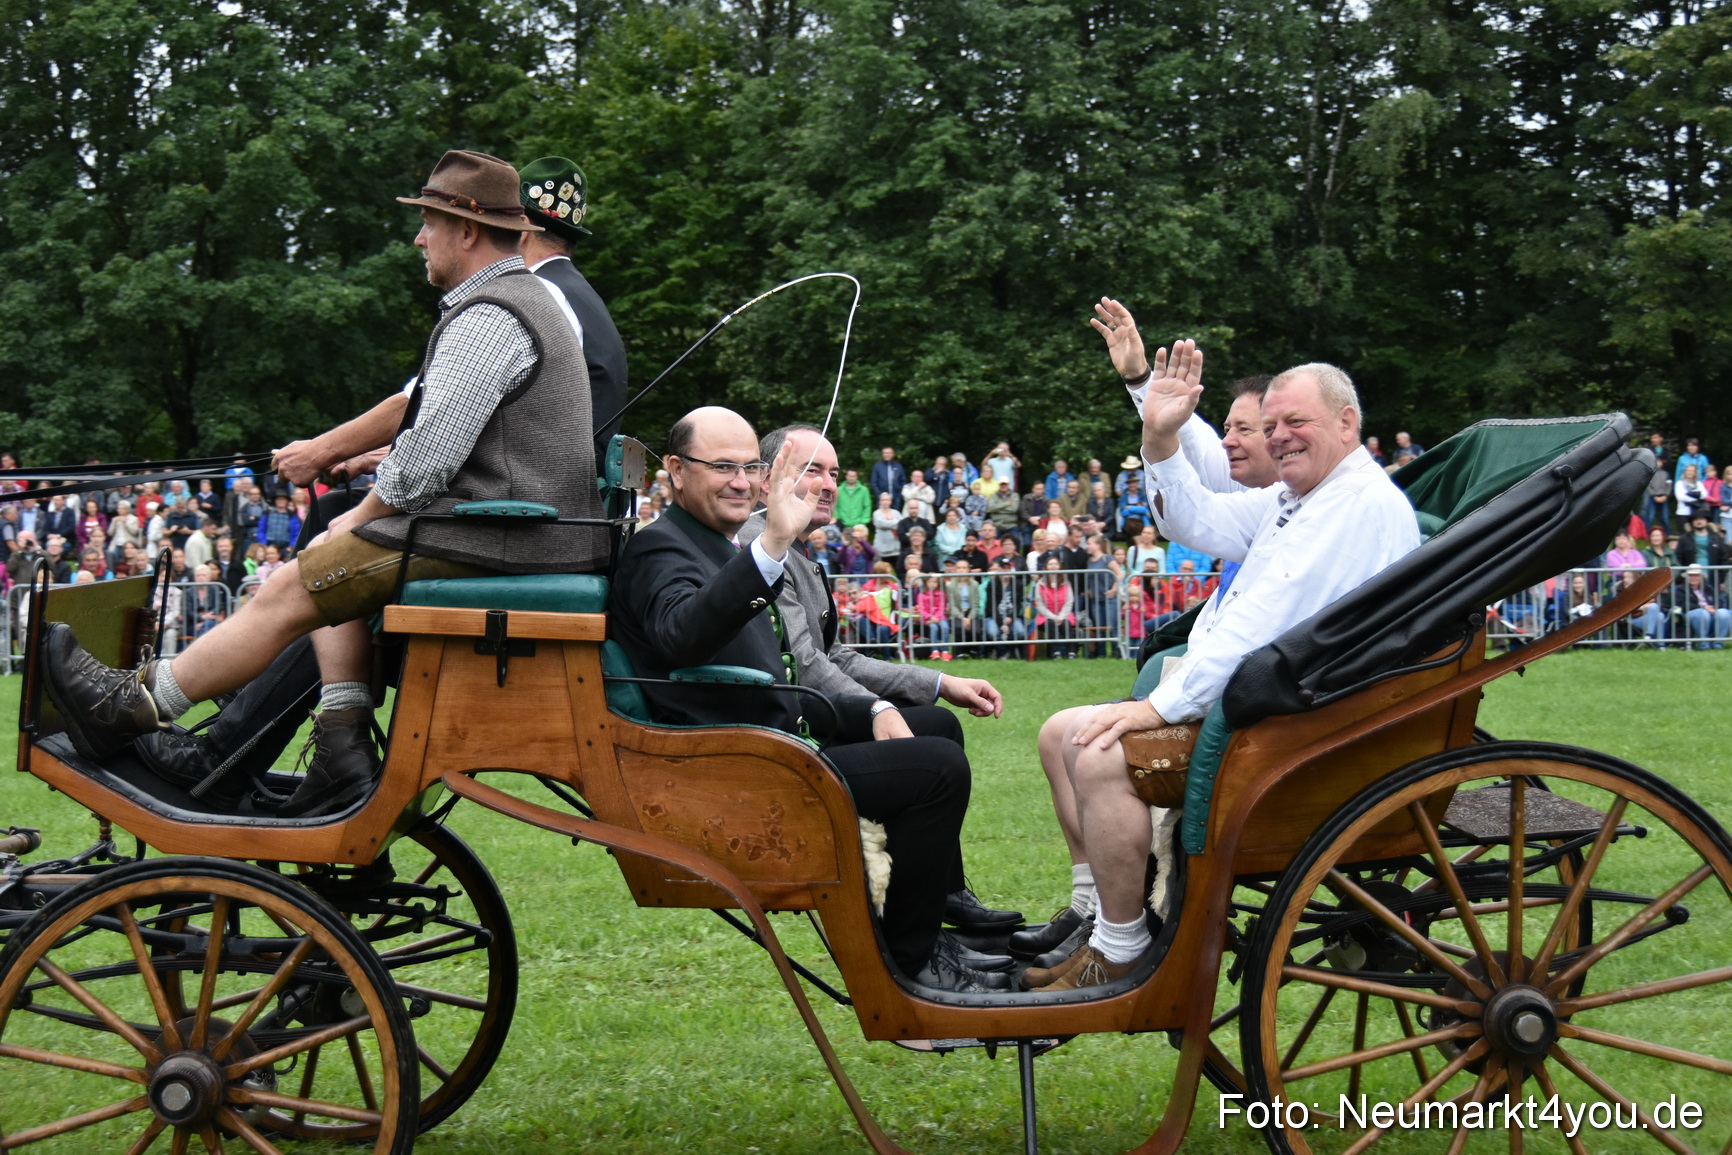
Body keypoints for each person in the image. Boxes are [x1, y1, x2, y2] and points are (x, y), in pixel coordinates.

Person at [41, 149, 605, 818]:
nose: (419, 238)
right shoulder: (523, 301)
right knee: (322, 561)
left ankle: (132, 704)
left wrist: (361, 515)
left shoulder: (491, 315)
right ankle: (341, 741)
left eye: (428, 222)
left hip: (500, 539)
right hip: (512, 533)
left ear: (466, 230)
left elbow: (425, 460)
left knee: (291, 585)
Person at [1025, 348, 1419, 991]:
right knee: (1070, 733)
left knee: (1096, 754)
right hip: (1285, 708)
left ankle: (1121, 947)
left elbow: (1259, 623)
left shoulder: (1351, 505)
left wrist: (1157, 707)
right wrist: (1159, 437)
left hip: (1308, 729)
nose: (1278, 437)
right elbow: (1195, 519)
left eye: (1295, 422)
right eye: (1271, 426)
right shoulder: (1302, 498)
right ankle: (1107, 919)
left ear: (1347, 423)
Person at [610, 408, 1016, 993]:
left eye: (749, 468)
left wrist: (873, 709)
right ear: (675, 469)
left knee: (934, 731)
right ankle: (911, 966)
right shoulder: (663, 548)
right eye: (722, 467)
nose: (741, 482)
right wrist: (773, 542)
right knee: (937, 767)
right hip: (735, 767)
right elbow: (683, 634)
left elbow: (787, 672)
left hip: (773, 740)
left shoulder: (719, 544)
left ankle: (927, 925)